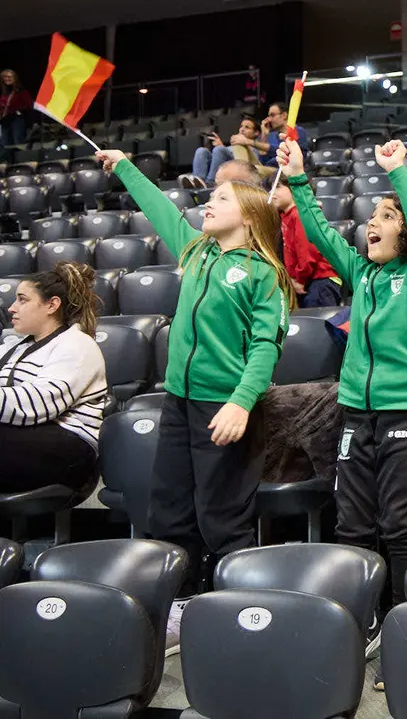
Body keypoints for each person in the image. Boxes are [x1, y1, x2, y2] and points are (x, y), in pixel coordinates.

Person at [279, 137, 407, 687]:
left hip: (405, 412)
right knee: (353, 525)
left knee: (399, 526)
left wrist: (397, 174)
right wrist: (298, 178)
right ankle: (358, 625)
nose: (371, 224)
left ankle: (405, 636)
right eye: (372, 216)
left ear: (405, 232)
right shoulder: (361, 274)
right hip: (355, 415)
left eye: (386, 216)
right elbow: (319, 231)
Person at [96, 147, 292, 655]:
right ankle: (182, 604)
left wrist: (241, 402)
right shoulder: (197, 250)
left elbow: (266, 347)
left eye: (222, 198)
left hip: (225, 408)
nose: (209, 203)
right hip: (179, 403)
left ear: (249, 216)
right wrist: (125, 167)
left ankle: (236, 613)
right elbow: (161, 209)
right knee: (170, 509)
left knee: (222, 517)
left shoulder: (263, 273)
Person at [0, 262, 106, 494]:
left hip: (70, 450)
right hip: (24, 439)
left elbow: (37, 405)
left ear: (52, 305)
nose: (12, 308)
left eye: (22, 300)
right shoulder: (15, 347)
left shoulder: (78, 345)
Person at [268, 176, 343, 308]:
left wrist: (300, 279)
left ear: (294, 189)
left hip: (321, 280)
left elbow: (307, 254)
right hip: (307, 279)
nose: (271, 192)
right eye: (270, 188)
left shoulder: (300, 215)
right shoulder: (286, 216)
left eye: (277, 187)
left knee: (317, 319)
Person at [186, 116, 261, 189]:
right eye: (241, 126)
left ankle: (211, 184)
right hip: (226, 163)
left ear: (256, 133)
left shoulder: (255, 147)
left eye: (247, 127)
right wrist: (222, 147)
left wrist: (221, 148)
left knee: (219, 149)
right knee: (201, 151)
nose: (242, 129)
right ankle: (198, 181)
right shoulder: (231, 146)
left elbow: (249, 163)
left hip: (237, 167)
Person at [256, 101, 310, 167]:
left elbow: (290, 154)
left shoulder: (299, 131)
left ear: (284, 115)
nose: (269, 120)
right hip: (272, 170)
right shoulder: (271, 136)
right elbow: (263, 162)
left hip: (291, 169)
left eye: (272, 115)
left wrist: (251, 142)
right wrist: (264, 136)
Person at [0, 69, 33, 147]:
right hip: (4, 120)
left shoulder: (21, 91)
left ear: (15, 78)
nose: (7, 78)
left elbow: (29, 105)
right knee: (5, 143)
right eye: (5, 77)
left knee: (18, 141)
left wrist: (18, 110)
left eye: (9, 77)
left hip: (17, 119)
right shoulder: (3, 92)